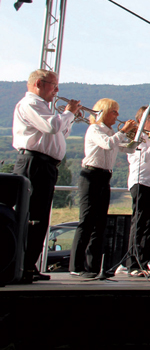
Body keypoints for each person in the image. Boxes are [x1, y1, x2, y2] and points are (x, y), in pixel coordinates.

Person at [12, 69, 79, 283]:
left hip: (45, 166)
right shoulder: (30, 104)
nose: (57, 90)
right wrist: (68, 113)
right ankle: (20, 265)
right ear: (39, 84)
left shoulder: (43, 107)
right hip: (35, 164)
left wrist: (69, 118)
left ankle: (29, 264)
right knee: (31, 216)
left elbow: (60, 132)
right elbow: (52, 127)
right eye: (54, 85)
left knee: (40, 218)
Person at [70, 98, 137, 278]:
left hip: (105, 176)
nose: (117, 116)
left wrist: (136, 138)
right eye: (114, 112)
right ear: (104, 113)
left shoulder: (109, 131)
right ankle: (76, 266)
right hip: (91, 175)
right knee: (87, 221)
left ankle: (93, 267)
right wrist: (123, 131)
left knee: (100, 223)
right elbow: (108, 144)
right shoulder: (95, 129)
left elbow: (125, 149)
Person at [126, 106, 150, 276]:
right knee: (140, 222)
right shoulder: (137, 137)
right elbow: (144, 157)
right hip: (141, 181)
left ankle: (144, 261)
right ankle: (133, 262)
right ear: (141, 119)